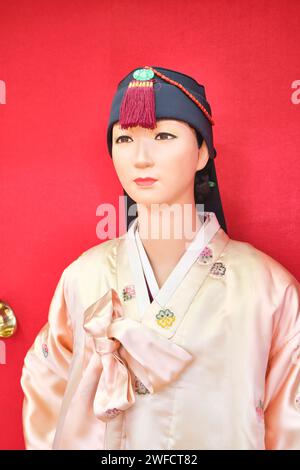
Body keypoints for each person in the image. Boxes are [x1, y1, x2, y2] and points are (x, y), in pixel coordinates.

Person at [20, 66, 300, 450]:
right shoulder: (83, 277)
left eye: (164, 135)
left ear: (202, 152)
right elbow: (46, 387)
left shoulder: (266, 288)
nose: (141, 157)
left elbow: (290, 422)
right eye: (125, 139)